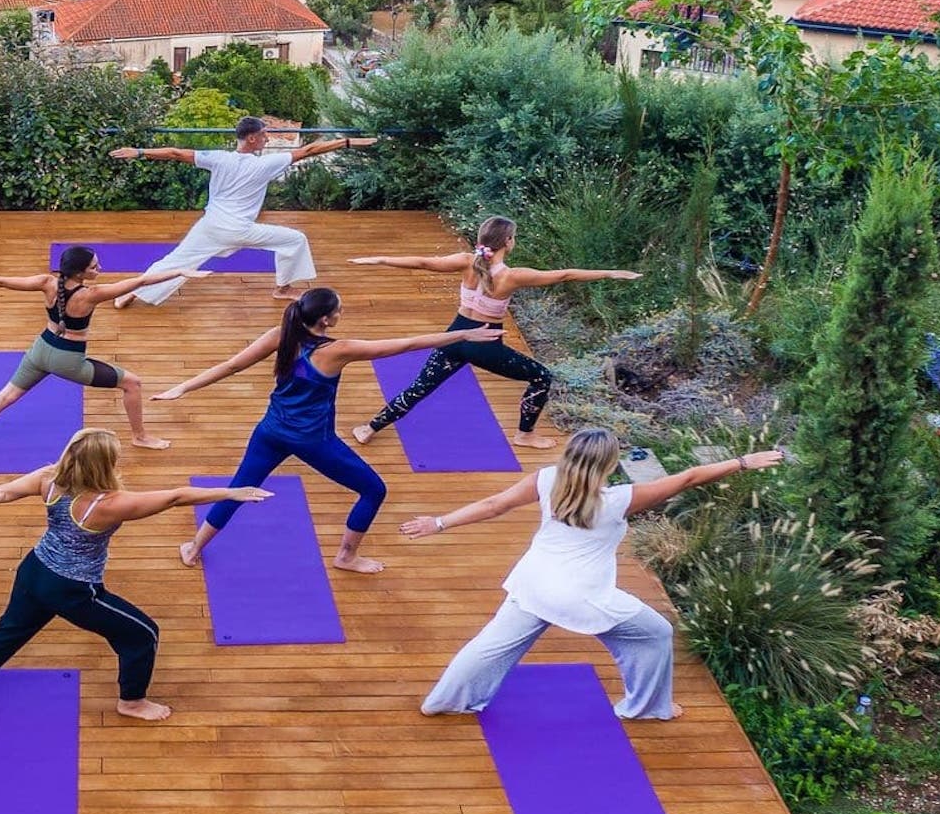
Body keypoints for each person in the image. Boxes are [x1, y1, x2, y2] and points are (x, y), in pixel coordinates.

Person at [401, 431, 783, 719]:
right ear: (608, 465)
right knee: (656, 633)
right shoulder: (619, 500)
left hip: (532, 582)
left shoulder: (547, 480)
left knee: (491, 646)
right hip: (581, 596)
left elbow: (493, 504)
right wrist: (742, 462)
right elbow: (688, 477)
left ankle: (442, 701)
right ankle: (648, 707)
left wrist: (439, 522)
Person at [0, 427, 268, 722]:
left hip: (34, 569)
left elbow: (2, 492)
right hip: (73, 589)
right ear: (105, 464)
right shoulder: (109, 504)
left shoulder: (49, 479)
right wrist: (232, 492)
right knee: (142, 635)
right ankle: (131, 702)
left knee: (8, 632)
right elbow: (175, 498)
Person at [158, 287, 500, 574]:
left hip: (270, 431)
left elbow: (231, 365)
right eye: (339, 309)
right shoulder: (338, 350)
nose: (341, 313)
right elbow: (405, 344)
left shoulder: (281, 335)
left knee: (238, 489)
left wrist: (183, 387)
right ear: (325, 319)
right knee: (374, 490)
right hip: (313, 441)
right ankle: (346, 557)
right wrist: (463, 334)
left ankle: (194, 547)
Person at [350, 215, 640, 452]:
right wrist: (610, 273)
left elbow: (424, 263)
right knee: (541, 377)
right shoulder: (512, 276)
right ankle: (525, 434)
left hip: (455, 336)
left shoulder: (466, 261)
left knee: (420, 387)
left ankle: (369, 428)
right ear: (508, 241)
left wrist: (380, 259)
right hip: (485, 344)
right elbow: (564, 275)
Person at [0, 246, 205, 451]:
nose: (99, 269)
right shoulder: (91, 294)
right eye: (94, 267)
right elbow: (141, 281)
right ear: (80, 273)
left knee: (6, 396)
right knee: (132, 383)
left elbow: (1, 281)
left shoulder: (47, 282)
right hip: (68, 361)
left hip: (40, 349)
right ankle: (140, 437)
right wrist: (180, 272)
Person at [106, 116, 376, 307]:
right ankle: (283, 289)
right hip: (239, 229)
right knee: (295, 240)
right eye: (264, 135)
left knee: (176, 261)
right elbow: (310, 150)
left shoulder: (218, 158)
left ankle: (129, 293)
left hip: (210, 225)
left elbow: (176, 153)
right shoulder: (265, 164)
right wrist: (347, 143)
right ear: (252, 138)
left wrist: (139, 152)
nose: (267, 138)